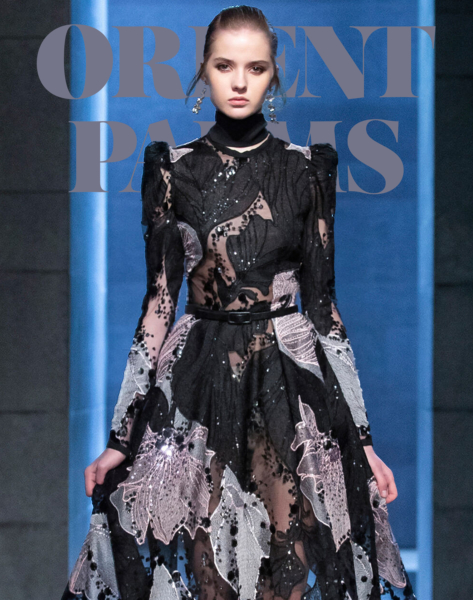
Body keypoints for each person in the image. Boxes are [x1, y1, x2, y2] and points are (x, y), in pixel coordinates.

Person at [61, 6, 416, 600]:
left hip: (288, 385)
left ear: (274, 76)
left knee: (287, 575)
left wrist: (364, 440)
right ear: (204, 70)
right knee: (210, 575)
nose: (240, 81)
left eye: (256, 68)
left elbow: (324, 306)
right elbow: (158, 305)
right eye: (225, 66)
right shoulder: (172, 170)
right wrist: (121, 437)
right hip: (200, 385)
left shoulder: (308, 170)